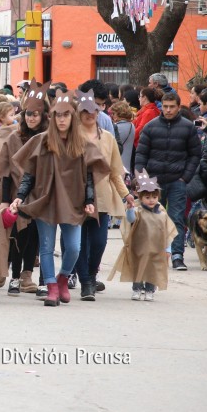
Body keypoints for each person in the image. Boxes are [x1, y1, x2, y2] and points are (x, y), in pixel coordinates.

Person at [9, 89, 110, 307]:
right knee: (45, 246)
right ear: (52, 117)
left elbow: (90, 177)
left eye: (66, 115)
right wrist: (20, 197)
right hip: (45, 199)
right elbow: (29, 174)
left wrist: (90, 200)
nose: (62, 119)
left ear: (72, 117)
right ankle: (52, 286)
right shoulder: (41, 141)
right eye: (58, 115)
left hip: (74, 202)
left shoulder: (82, 144)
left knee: (74, 247)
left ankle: (63, 278)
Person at [73, 89, 134, 301]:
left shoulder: (107, 138)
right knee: (79, 242)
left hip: (103, 196)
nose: (91, 115)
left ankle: (91, 273)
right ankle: (85, 282)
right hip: (76, 196)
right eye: (86, 112)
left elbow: (115, 170)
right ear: (79, 113)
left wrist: (126, 194)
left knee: (99, 242)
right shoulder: (72, 136)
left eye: (95, 111)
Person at [133, 91, 200, 271]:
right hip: (153, 182)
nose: (168, 110)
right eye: (165, 107)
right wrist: (142, 178)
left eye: (172, 107)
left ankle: (177, 255)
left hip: (177, 179)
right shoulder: (151, 126)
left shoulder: (187, 127)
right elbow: (141, 154)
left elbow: (195, 154)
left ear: (178, 107)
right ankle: (154, 254)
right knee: (152, 219)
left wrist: (185, 176)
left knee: (176, 218)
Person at [0, 80, 48, 298]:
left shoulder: (48, 138)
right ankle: (14, 276)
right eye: (28, 114)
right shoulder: (13, 138)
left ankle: (28, 275)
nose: (31, 118)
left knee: (36, 237)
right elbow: (6, 171)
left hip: (42, 195)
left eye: (35, 114)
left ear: (42, 116)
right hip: (18, 193)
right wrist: (7, 199)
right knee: (18, 235)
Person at [107, 170, 176, 301]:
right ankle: (137, 288)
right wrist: (130, 209)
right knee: (138, 267)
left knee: (152, 268)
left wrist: (168, 249)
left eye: (154, 197)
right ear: (140, 196)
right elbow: (131, 220)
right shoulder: (138, 209)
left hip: (156, 247)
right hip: (139, 246)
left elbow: (167, 230)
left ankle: (150, 290)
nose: (151, 200)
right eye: (147, 197)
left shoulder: (161, 211)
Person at [109, 100, 136, 174]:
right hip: (127, 165)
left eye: (113, 113)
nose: (112, 116)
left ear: (119, 113)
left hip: (117, 166)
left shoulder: (117, 127)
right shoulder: (131, 125)